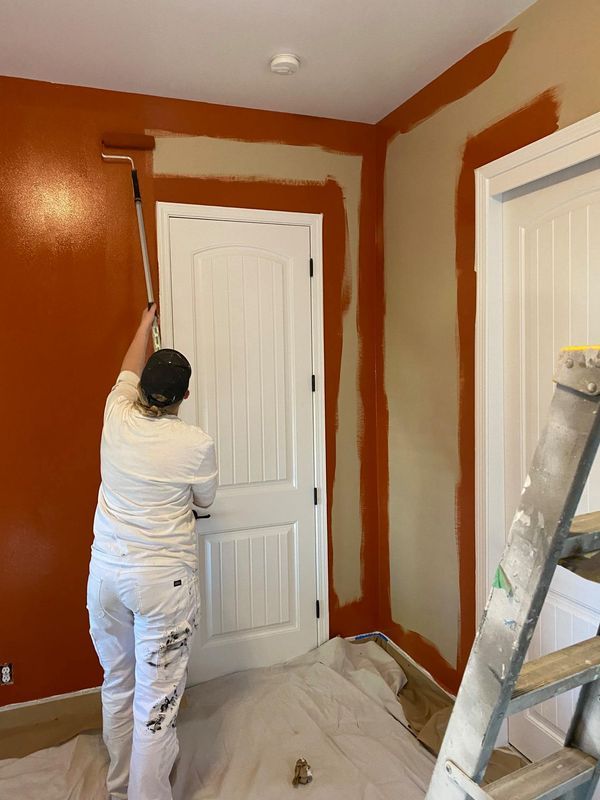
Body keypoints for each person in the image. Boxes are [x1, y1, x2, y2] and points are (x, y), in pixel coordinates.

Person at [87, 304, 218, 800]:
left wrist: (144, 324)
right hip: (162, 585)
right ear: (185, 396)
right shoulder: (195, 443)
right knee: (156, 703)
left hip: (106, 578)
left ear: (140, 387)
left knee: (118, 681)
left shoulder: (115, 414)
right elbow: (205, 501)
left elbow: (124, 370)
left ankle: (120, 787)